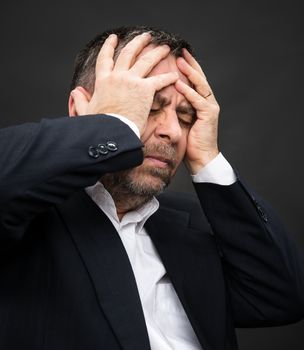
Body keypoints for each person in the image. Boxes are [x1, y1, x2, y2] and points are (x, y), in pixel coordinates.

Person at [0, 25, 303, 350]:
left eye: (185, 116)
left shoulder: (199, 225)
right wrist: (113, 126)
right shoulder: (28, 215)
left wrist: (208, 159)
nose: (172, 132)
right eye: (147, 106)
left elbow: (279, 298)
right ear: (80, 111)